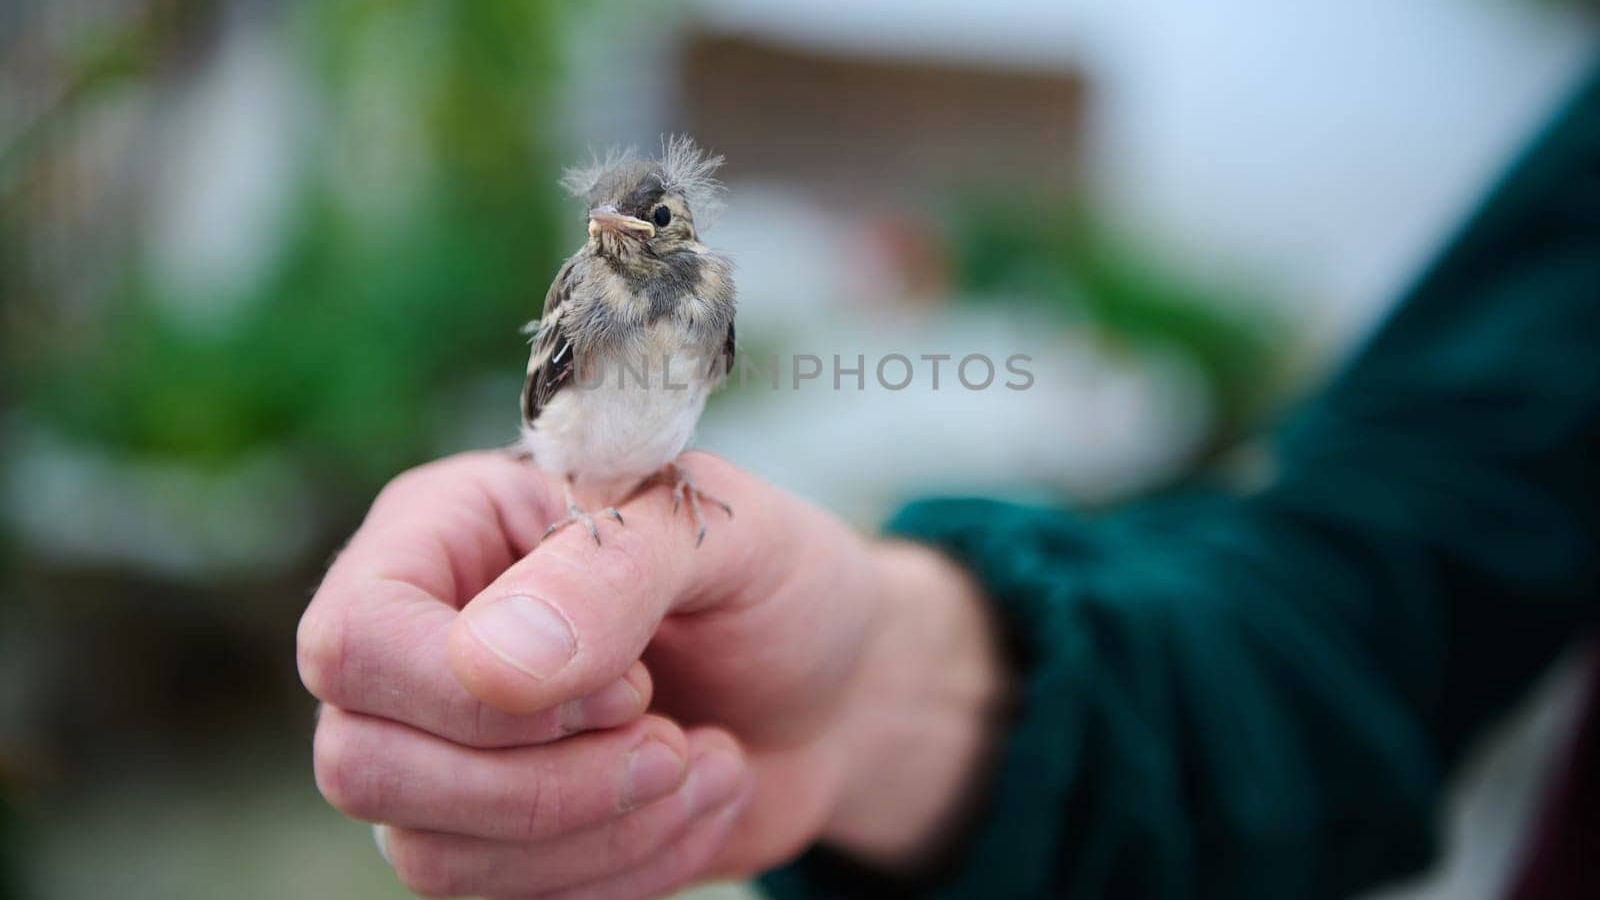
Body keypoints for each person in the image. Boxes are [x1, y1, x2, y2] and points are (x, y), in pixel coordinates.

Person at [297, 60, 1600, 900]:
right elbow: (1373, 588)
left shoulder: (709, 297)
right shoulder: (584, 304)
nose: (616, 243)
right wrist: (888, 678)